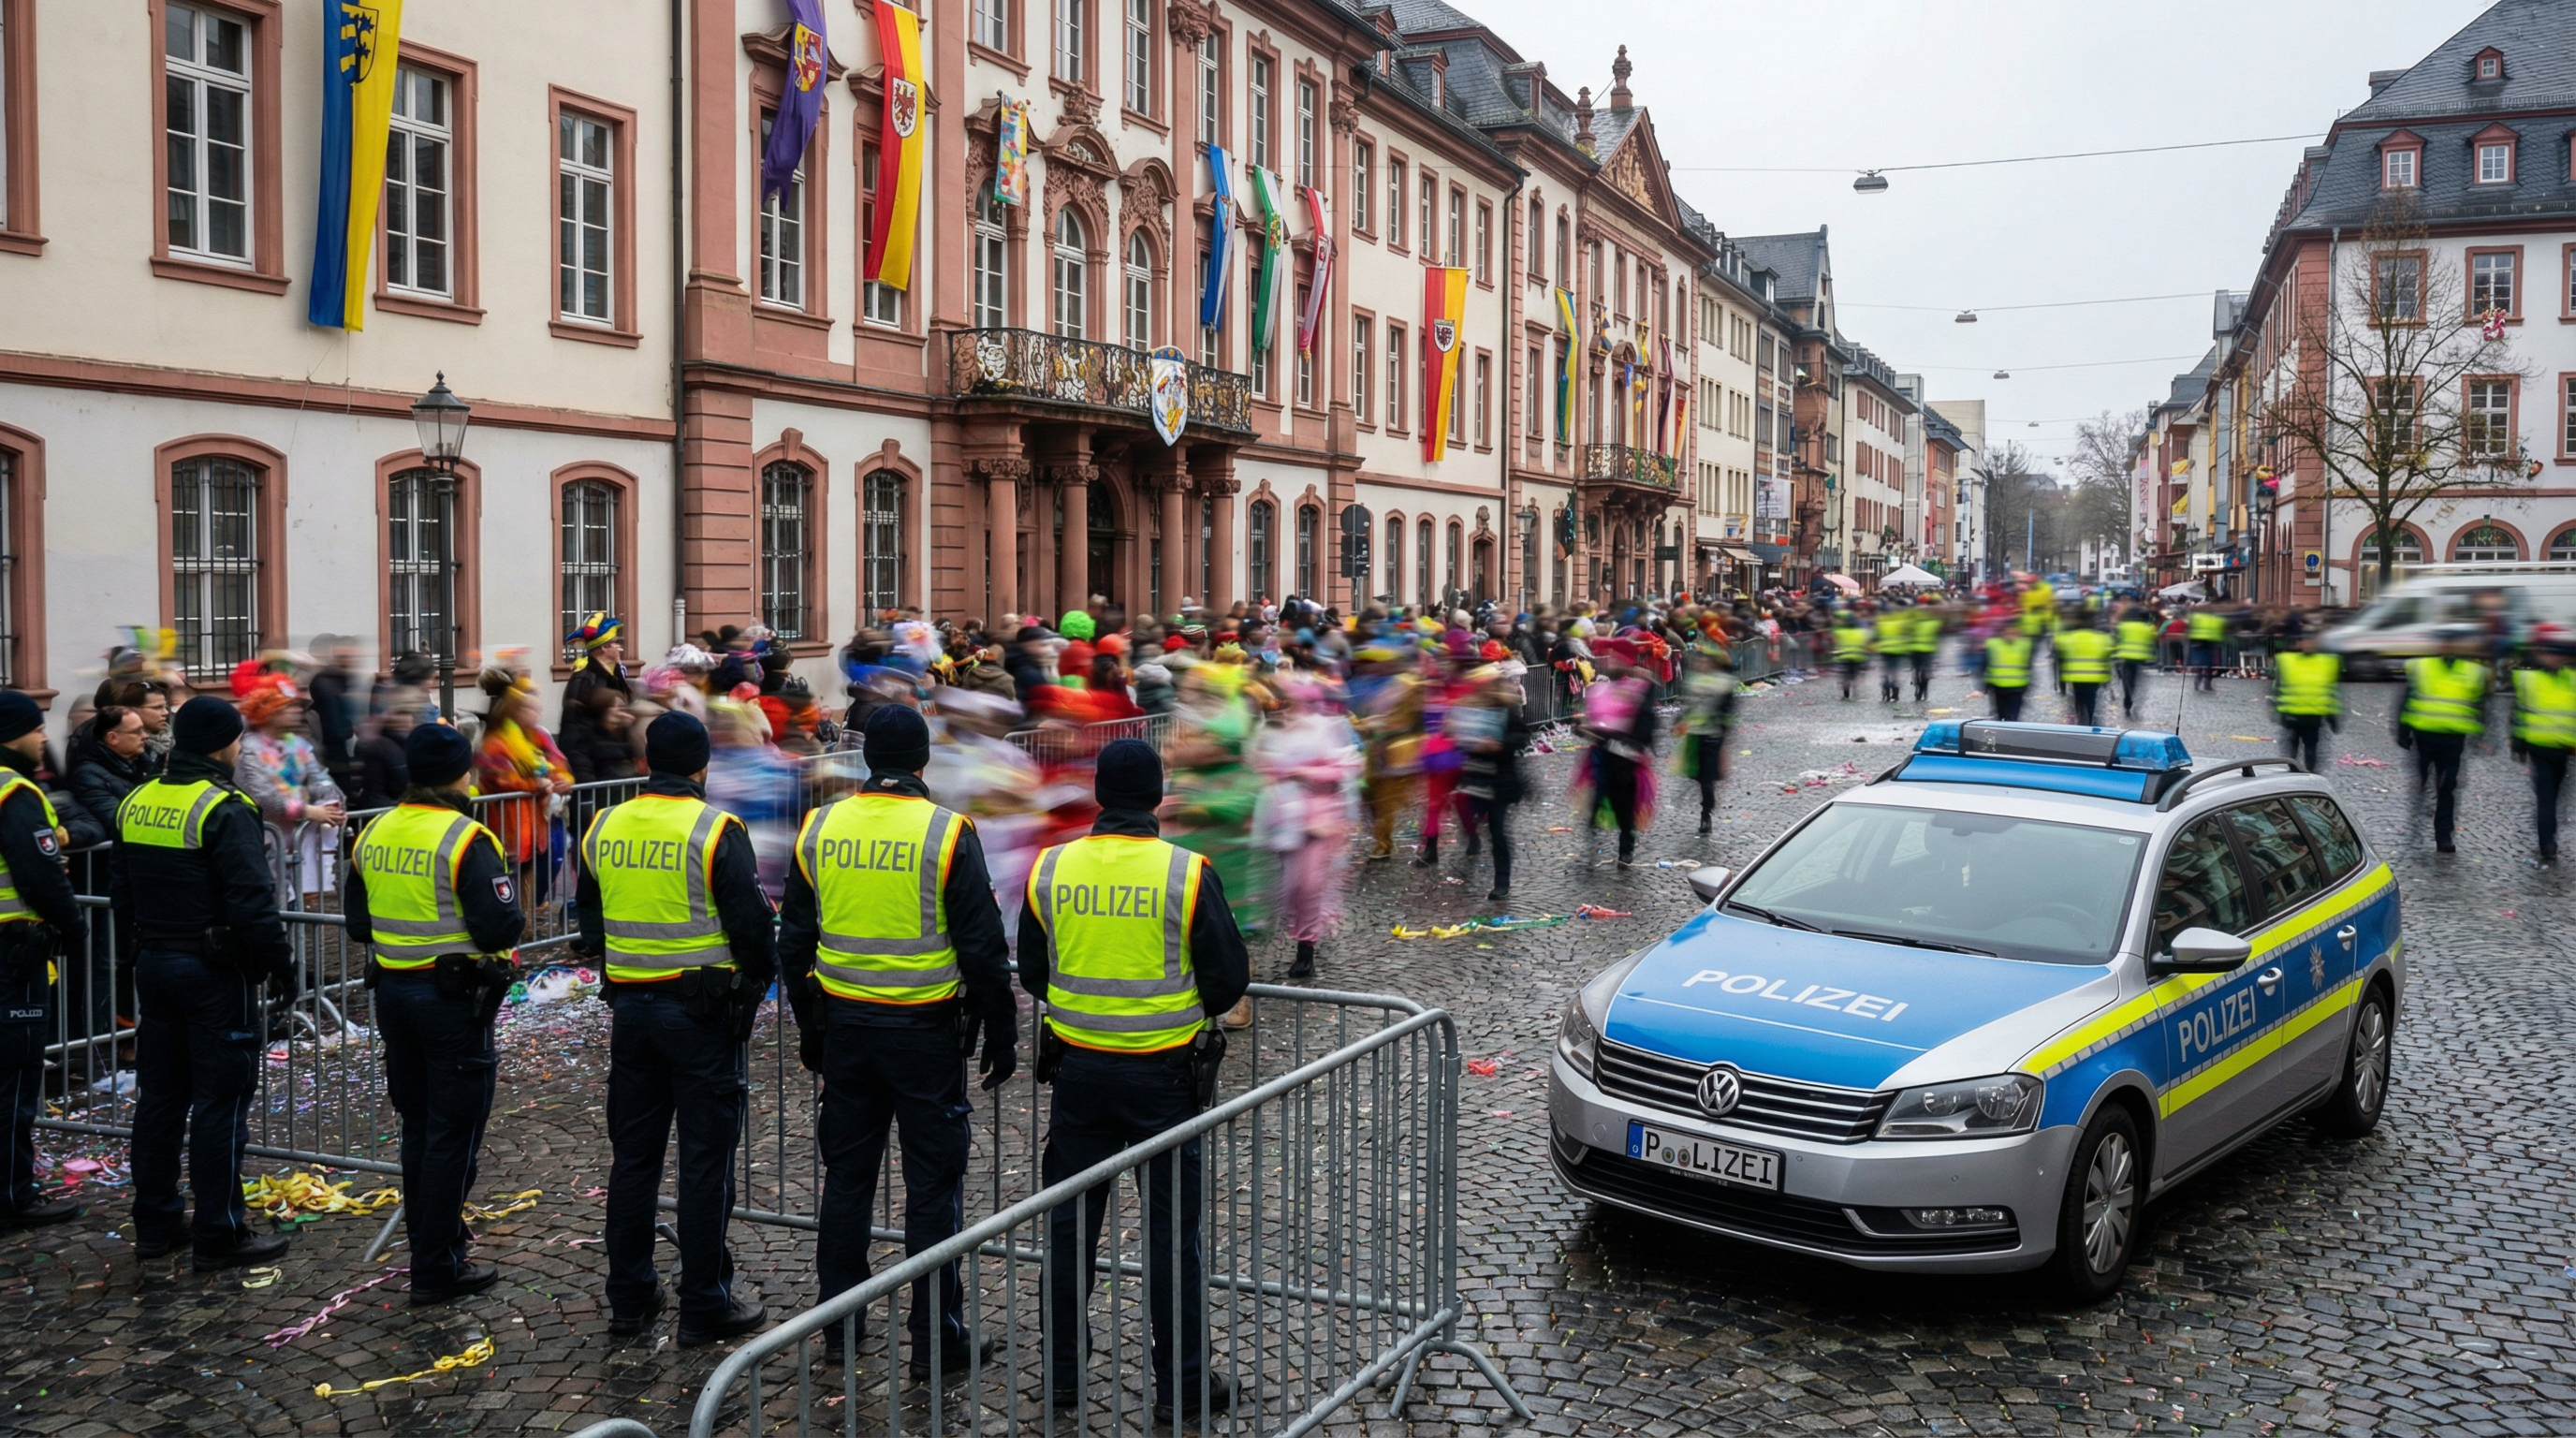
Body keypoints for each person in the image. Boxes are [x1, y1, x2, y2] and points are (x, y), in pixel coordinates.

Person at [778, 707, 1017, 1376]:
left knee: (847, 1183)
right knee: (932, 1188)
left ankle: (838, 1324)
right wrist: (1003, 1030)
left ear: (865, 760)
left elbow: (793, 942)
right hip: (924, 1035)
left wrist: (810, 1027)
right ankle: (935, 1338)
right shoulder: (944, 831)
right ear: (922, 761)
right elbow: (982, 947)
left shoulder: (820, 826)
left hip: (847, 1029)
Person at [1018, 741, 1248, 1423]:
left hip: (1079, 1070)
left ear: (1097, 793)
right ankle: (1181, 1384)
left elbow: (1035, 970)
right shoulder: (1185, 870)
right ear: (1156, 794)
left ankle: (1062, 1374)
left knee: (1070, 1226)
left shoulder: (1051, 867)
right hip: (1162, 1078)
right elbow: (1227, 979)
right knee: (1172, 1236)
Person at [576, 712, 778, 1345]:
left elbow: (590, 925)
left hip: (632, 1011)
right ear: (701, 767)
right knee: (704, 1162)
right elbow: (752, 929)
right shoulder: (715, 829)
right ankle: (703, 1303)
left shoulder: (604, 824)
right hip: (700, 1015)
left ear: (646, 763)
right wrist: (751, 990)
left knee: (633, 1161)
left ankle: (630, 1299)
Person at [343, 723, 527, 1304]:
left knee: (420, 1127)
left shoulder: (372, 831)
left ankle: (431, 1241)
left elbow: (356, 922)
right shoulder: (465, 836)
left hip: (394, 994)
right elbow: (500, 925)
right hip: (450, 1001)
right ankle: (437, 1264)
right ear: (461, 775)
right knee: (454, 1133)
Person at [115, 697, 295, 1270]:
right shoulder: (225, 806)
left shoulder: (137, 800)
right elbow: (252, 900)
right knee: (221, 1103)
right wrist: (281, 965)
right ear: (222, 745)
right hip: (216, 973)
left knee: (161, 1101)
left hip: (155, 964)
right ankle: (220, 1234)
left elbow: (122, 893)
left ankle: (156, 1224)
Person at [0, 692, 89, 1230]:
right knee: (13, 1079)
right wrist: (74, 927)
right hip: (14, 950)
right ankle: (13, 1197)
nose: (42, 738)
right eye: (35, 729)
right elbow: (37, 873)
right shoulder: (15, 790)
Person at [2397, 629, 2490, 856]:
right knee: (2421, 784)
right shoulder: (2422, 667)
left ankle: (2443, 835)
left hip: (2452, 741)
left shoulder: (2472, 672)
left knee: (2446, 788)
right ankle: (2416, 824)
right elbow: (2408, 699)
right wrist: (2403, 731)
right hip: (2424, 738)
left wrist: (2481, 735)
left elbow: (2480, 706)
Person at [2510, 629, 2576, 864]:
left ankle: (2547, 840)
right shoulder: (2564, 678)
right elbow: (2520, 713)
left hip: (2557, 747)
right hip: (2546, 748)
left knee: (2550, 796)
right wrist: (2518, 742)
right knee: (2548, 798)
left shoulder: (2531, 678)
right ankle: (2547, 843)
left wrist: (2517, 743)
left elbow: (2519, 712)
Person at [1676, 639, 1739, 836]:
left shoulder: (1725, 682)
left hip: (1712, 735)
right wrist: (1679, 720)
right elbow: (1689, 705)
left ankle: (1706, 813)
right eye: (1699, 661)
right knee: (1695, 774)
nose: (1700, 664)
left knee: (1706, 777)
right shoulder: (1693, 681)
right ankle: (1707, 801)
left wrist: (1722, 730)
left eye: (1704, 661)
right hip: (1694, 735)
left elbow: (1728, 709)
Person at [2273, 632, 2343, 773]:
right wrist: (2277, 709)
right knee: (2292, 747)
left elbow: (2332, 690)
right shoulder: (2288, 661)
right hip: (2293, 714)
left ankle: (2309, 773)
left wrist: (2333, 715)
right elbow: (2278, 688)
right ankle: (2295, 771)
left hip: (2313, 716)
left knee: (2310, 748)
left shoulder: (2326, 662)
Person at [2054, 616, 2115, 728]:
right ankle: (2089, 720)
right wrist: (2107, 677)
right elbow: (2107, 657)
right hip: (2094, 676)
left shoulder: (2070, 638)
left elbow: (2061, 656)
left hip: (2076, 676)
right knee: (2092, 699)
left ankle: (2082, 719)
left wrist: (2061, 683)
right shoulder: (2101, 638)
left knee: (2079, 698)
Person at [2115, 606, 2159, 719]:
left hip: (2126, 658)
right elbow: (2152, 642)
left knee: (2126, 682)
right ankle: (2136, 701)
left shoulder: (2124, 626)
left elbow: (2116, 638)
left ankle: (2127, 701)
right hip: (2141, 660)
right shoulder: (2149, 628)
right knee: (2138, 683)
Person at [1983, 629, 2034, 723]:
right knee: (2001, 716)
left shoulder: (2025, 644)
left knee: (2012, 718)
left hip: (2017, 687)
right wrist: (1986, 684)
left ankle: (2010, 733)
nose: (2010, 635)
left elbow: (2029, 665)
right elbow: (1986, 663)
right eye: (2007, 632)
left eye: (2013, 632)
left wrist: (2029, 684)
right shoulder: (1993, 644)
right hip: (1998, 687)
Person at [2187, 602, 2230, 693]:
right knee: (2204, 666)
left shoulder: (2196, 617)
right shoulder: (2208, 618)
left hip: (2204, 643)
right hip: (2203, 643)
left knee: (2206, 666)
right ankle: (2202, 684)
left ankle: (2205, 684)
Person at [1872, 604, 1910, 704]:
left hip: (1884, 651)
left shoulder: (1881, 624)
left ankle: (1885, 691)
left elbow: (1875, 637)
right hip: (1897, 651)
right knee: (1894, 673)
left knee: (1885, 672)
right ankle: (1895, 694)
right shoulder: (1899, 623)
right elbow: (1905, 636)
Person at [1907, 598, 1941, 703]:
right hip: (1928, 650)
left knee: (1916, 670)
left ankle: (1917, 685)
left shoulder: (1913, 622)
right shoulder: (1934, 622)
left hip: (1914, 649)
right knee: (1925, 672)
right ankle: (1923, 689)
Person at [1831, 611, 1869, 702]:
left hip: (1845, 657)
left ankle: (1846, 695)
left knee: (1845, 677)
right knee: (1854, 676)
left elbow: (1834, 633)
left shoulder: (1841, 632)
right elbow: (1865, 644)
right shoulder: (1861, 632)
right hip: (1858, 657)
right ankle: (1855, 693)